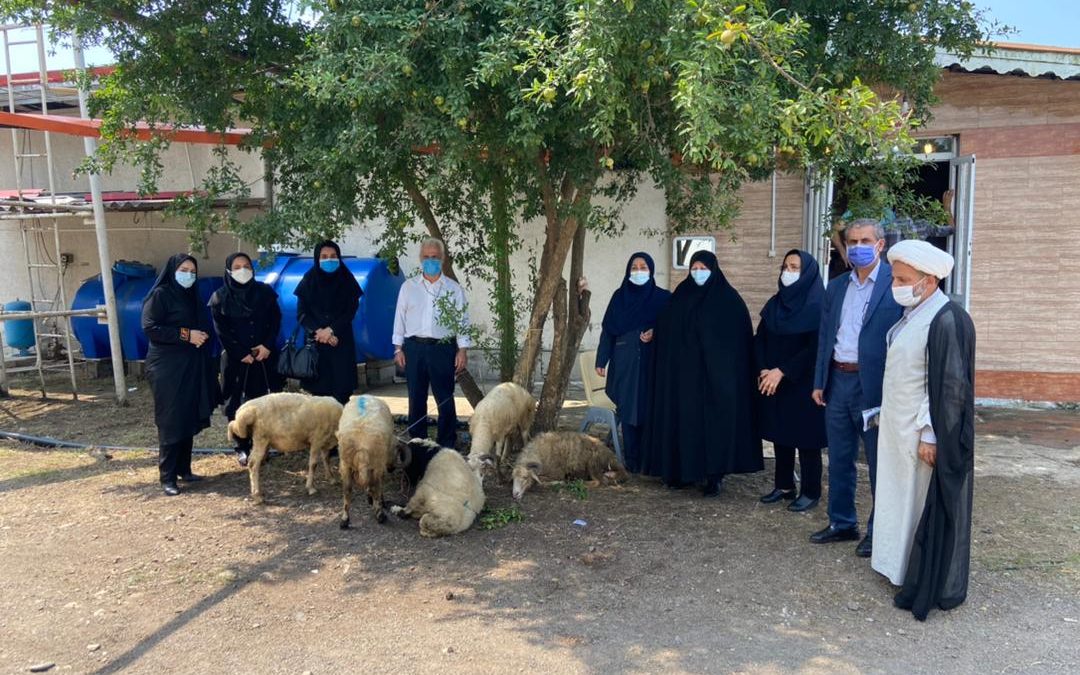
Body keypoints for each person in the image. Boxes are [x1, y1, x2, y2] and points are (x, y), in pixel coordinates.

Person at [871, 239, 976, 621]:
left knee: (916, 502)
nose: (895, 285)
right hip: (896, 428)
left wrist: (931, 434)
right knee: (898, 498)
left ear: (929, 281)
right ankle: (896, 566)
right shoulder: (914, 314)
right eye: (895, 277)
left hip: (919, 433)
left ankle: (916, 572)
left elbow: (948, 385)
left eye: (903, 279)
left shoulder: (946, 319)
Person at [810, 219, 903, 556]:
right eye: (852, 242)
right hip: (837, 381)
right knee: (839, 458)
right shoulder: (836, 287)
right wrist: (820, 381)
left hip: (873, 385)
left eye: (865, 240)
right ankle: (842, 523)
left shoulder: (895, 283)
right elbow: (826, 336)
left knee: (879, 462)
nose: (858, 247)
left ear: (880, 245)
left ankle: (879, 532)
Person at [642, 250, 762, 496]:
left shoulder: (729, 300)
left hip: (715, 380)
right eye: (694, 268)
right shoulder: (681, 295)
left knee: (713, 427)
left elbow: (739, 342)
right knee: (685, 424)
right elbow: (667, 324)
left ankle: (714, 476)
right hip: (684, 380)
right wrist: (656, 332)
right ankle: (683, 473)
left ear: (713, 269)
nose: (698, 272)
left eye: (703, 268)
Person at [141, 253, 221, 496]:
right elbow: (150, 327)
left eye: (192, 271)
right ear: (172, 271)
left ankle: (184, 469)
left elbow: (203, 323)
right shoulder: (160, 295)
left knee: (188, 414)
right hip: (167, 366)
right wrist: (186, 335)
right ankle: (167, 476)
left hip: (191, 364)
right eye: (183, 270)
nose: (188, 275)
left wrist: (202, 334)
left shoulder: (192, 296)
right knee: (171, 418)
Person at [755, 250, 827, 511]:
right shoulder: (776, 303)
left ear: (807, 272)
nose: (788, 272)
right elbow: (760, 337)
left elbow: (815, 348)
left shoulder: (819, 305)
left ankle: (810, 491)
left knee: (807, 439)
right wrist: (763, 368)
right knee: (780, 433)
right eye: (786, 266)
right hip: (773, 380)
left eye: (795, 267)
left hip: (804, 382)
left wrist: (783, 371)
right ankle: (784, 485)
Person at [595, 252, 671, 473]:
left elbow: (674, 325)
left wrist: (656, 331)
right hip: (624, 361)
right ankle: (632, 460)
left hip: (651, 361)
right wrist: (602, 359)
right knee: (627, 408)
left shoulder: (663, 298)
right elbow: (608, 330)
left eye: (643, 267)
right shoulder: (619, 297)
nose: (638, 271)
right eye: (634, 268)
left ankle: (649, 459)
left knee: (649, 407)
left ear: (651, 270)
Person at [392, 237, 471, 449]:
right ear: (420, 259)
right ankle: (418, 444)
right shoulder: (409, 287)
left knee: (445, 398)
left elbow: (462, 321)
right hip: (414, 348)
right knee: (416, 397)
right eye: (426, 257)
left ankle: (446, 444)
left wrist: (462, 350)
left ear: (442, 259)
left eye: (434, 257)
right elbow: (399, 318)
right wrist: (398, 348)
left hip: (442, 349)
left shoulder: (453, 289)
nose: (430, 261)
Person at [209, 252, 283, 466]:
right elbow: (221, 331)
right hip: (236, 359)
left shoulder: (265, 292)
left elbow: (275, 320)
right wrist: (241, 353)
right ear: (228, 271)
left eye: (247, 266)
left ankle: (262, 445)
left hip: (264, 356)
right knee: (235, 403)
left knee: (262, 402)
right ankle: (241, 446)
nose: (243, 270)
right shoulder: (219, 297)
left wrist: (266, 345)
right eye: (237, 267)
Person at [294, 240, 362, 405]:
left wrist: (331, 330)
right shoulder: (309, 280)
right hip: (316, 345)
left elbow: (350, 312)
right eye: (324, 257)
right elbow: (302, 314)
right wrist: (320, 332)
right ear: (317, 259)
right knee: (319, 400)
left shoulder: (347, 280)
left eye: (333, 256)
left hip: (341, 343)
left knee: (342, 395)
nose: (329, 260)